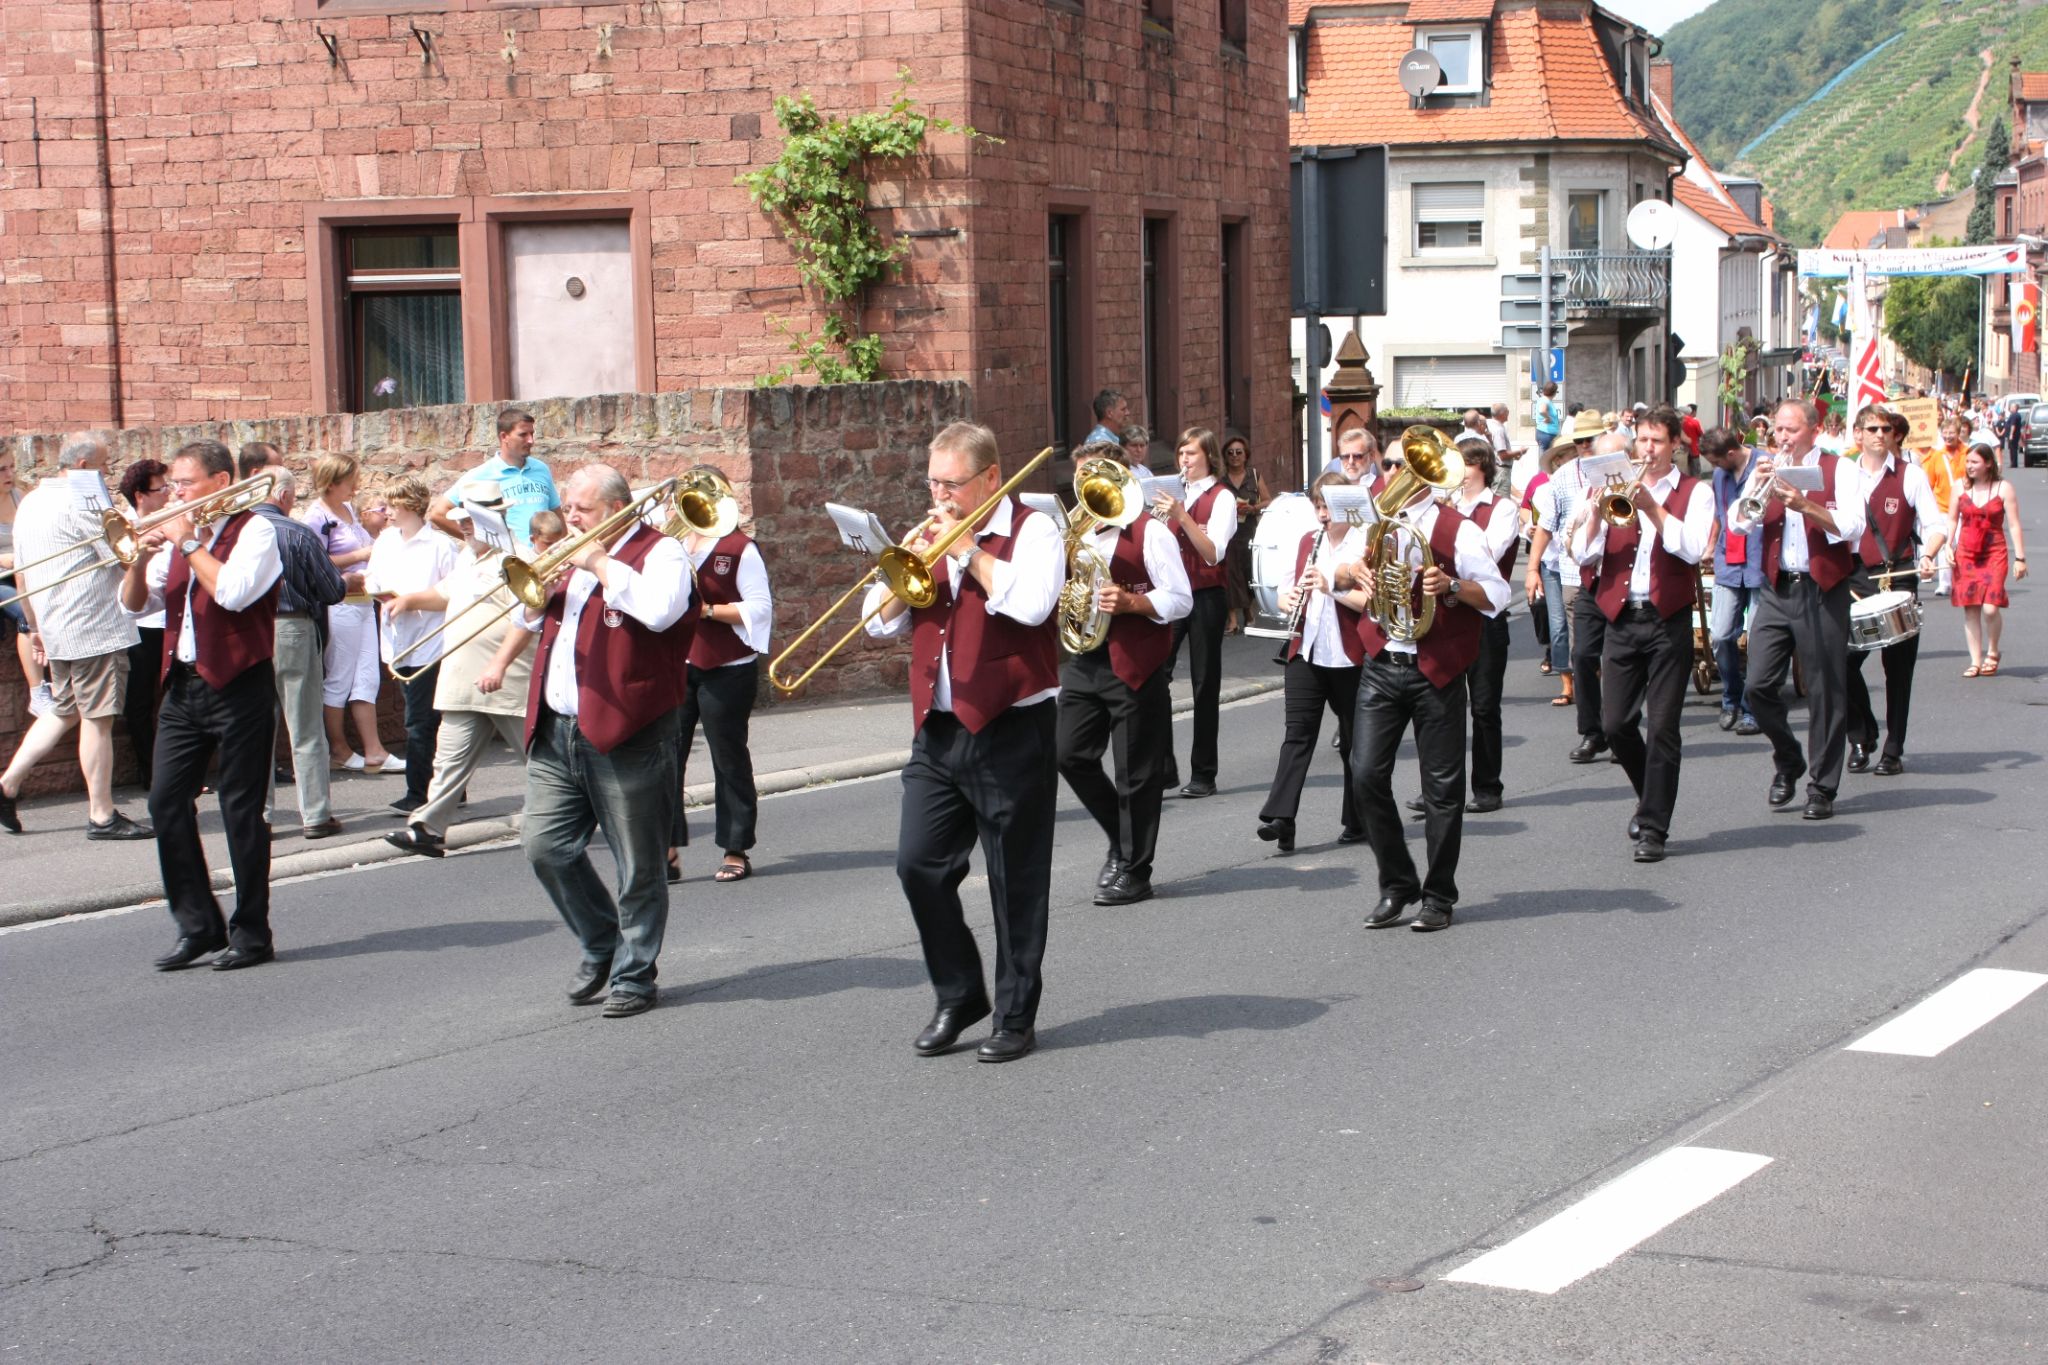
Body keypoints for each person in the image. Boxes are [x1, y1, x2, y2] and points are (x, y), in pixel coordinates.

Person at [864, 421, 1064, 1062]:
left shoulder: (1034, 530)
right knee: (917, 865)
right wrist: (904, 576)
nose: (940, 496)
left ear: (990, 478)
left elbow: (1032, 605)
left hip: (1013, 727)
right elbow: (875, 625)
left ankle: (1015, 1015)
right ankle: (959, 994)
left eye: (951, 484)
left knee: (1015, 879)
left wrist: (968, 550)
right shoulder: (927, 533)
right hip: (939, 730)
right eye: (933, 483)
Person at [517, 465, 696, 1019]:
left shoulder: (661, 552)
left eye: (583, 510)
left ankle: (635, 975)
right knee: (544, 846)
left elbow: (661, 612)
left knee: (638, 864)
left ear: (617, 509)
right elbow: (536, 619)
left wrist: (598, 562)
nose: (570, 518)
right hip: (558, 728)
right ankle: (601, 940)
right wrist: (538, 594)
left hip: (630, 729)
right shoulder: (569, 555)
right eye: (568, 507)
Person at [1334, 446, 1510, 934]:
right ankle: (1397, 883)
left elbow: (1497, 594)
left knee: (1442, 790)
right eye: (1391, 464)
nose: (1393, 471)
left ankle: (1438, 895)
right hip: (1382, 663)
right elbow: (1337, 572)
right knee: (1365, 775)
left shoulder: (1460, 529)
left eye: (1401, 465)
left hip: (1437, 670)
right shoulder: (1375, 520)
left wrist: (1452, 586)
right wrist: (1354, 571)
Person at [122, 440, 284, 971]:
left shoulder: (257, 531)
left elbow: (233, 593)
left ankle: (252, 934)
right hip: (183, 688)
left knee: (240, 812)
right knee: (165, 803)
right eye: (172, 485)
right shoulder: (178, 538)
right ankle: (198, 926)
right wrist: (137, 558)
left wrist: (188, 540)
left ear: (221, 482)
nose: (175, 494)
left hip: (241, 685)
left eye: (185, 484)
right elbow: (135, 606)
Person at [1570, 407, 1710, 861]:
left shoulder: (1695, 492)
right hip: (1622, 619)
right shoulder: (1614, 486)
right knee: (1615, 725)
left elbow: (1692, 549)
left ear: (1675, 445)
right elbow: (1582, 555)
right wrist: (1595, 515)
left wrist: (1654, 509)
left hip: (1667, 619)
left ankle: (1653, 827)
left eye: (1657, 441)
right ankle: (1650, 794)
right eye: (1643, 441)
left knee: (1664, 727)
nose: (1647, 449)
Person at [1056, 441, 1192, 907]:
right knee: (1068, 753)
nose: (1085, 489)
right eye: (1080, 479)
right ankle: (1121, 837)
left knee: (1135, 772)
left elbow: (1181, 598)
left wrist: (1133, 602)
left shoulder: (1151, 532)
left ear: (1119, 479)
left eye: (1093, 478)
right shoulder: (1079, 533)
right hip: (1087, 658)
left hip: (1134, 661)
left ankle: (1135, 871)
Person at [0, 435, 152, 840]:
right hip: (93, 627)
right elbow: (122, 557)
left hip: (56, 624)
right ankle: (102, 815)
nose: (106, 472)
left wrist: (34, 627)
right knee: (97, 718)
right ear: (83, 465)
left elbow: (22, 574)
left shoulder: (31, 500)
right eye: (103, 465)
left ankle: (8, 783)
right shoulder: (84, 501)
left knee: (65, 709)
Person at [385, 506, 559, 859]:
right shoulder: (468, 556)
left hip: (506, 680)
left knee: (541, 759)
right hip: (463, 680)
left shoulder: (517, 559)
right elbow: (445, 594)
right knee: (448, 760)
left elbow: (528, 619)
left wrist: (498, 665)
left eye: (470, 521)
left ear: (491, 520)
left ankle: (572, 814)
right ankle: (428, 829)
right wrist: (408, 599)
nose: (463, 527)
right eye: (460, 520)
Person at [1726, 398, 1867, 821]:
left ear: (1814, 430)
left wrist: (1804, 504)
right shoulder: (1767, 467)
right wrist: (1754, 487)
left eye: (1791, 430)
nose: (1782, 437)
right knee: (1757, 686)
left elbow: (1854, 526)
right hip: (1777, 588)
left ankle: (1822, 786)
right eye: (1778, 430)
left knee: (1826, 690)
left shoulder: (1839, 469)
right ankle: (1788, 758)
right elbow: (1738, 524)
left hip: (1822, 587)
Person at [668, 474, 774, 886]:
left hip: (728, 666)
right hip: (678, 663)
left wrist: (708, 611)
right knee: (665, 756)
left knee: (727, 757)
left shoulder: (739, 548)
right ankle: (666, 845)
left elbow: (759, 608)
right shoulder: (673, 544)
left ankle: (735, 847)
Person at [238, 446, 348, 839]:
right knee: (305, 727)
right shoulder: (297, 532)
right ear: (283, 495)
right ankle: (315, 815)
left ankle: (260, 815)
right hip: (293, 628)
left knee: (255, 728)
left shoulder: (234, 532)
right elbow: (333, 590)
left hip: (247, 631)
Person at [1256, 472, 1366, 852]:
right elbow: (1283, 592)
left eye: (1329, 507)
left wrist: (1330, 587)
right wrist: (1287, 600)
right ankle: (1281, 818)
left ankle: (1358, 819)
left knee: (1354, 742)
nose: (1323, 515)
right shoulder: (1308, 540)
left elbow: (1369, 603)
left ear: (1346, 508)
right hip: (1307, 650)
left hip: (1351, 656)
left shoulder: (1363, 544)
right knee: (1297, 734)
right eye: (1318, 506)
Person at [1844, 407, 1945, 772]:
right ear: (1858, 433)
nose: (1880, 434)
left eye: (1885, 429)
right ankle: (1862, 734)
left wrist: (1929, 554)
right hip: (1855, 577)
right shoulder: (1844, 474)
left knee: (1898, 670)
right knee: (1841, 661)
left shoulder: (1910, 474)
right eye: (1872, 428)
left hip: (1898, 574)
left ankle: (1893, 750)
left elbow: (1935, 525)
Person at [365, 475, 459, 817]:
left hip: (429, 641)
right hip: (397, 639)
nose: (387, 512)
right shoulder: (386, 541)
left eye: (392, 505)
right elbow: (372, 578)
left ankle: (418, 792)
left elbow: (454, 593)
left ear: (410, 506)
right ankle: (449, 787)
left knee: (419, 721)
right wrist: (381, 592)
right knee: (424, 717)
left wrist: (412, 599)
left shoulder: (440, 546)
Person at [304, 454, 400, 774]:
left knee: (367, 675)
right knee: (340, 675)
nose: (356, 485)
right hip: (339, 602)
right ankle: (339, 749)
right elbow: (314, 560)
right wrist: (361, 554)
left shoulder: (346, 509)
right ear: (332, 483)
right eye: (350, 480)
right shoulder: (316, 516)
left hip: (363, 600)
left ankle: (374, 749)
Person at [1157, 427, 1238, 798]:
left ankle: (1204, 773)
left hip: (1206, 595)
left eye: (1191, 453)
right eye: (1180, 453)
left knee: (1204, 683)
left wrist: (1182, 517)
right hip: (1173, 595)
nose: (1184, 460)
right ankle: (1164, 767)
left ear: (1208, 457)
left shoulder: (1222, 498)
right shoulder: (1172, 493)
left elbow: (1213, 553)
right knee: (1156, 676)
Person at [1444, 437, 1519, 813]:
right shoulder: (1447, 508)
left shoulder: (1503, 509)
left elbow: (1486, 554)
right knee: (1443, 708)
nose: (1459, 473)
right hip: (1450, 616)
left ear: (1482, 468)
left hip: (1486, 617)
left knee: (1485, 707)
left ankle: (1488, 787)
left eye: (1466, 465)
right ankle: (1441, 788)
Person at [1525, 409, 1604, 710]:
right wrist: (1532, 569)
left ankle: (1613, 703)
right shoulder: (1562, 476)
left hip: (1615, 574)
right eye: (1580, 441)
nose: (1585, 445)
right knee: (1579, 646)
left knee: (1613, 646)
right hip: (1573, 573)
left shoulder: (1620, 469)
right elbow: (1545, 528)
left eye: (1591, 439)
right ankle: (1587, 710)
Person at [1568, 431, 1633, 760]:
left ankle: (1621, 731)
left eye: (1615, 460)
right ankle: (1592, 733)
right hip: (1594, 585)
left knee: (1621, 661)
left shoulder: (1641, 492)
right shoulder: (1586, 494)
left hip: (1628, 588)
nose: (1609, 468)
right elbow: (1581, 554)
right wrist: (1594, 515)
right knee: (1582, 655)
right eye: (1602, 461)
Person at [1700, 427, 1763, 735]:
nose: (1714, 468)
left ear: (1731, 453)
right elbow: (1719, 515)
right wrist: (1711, 546)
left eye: (1716, 461)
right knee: (1721, 634)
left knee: (1759, 642)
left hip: (1759, 561)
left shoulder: (1764, 464)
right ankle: (1731, 698)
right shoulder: (1719, 476)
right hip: (1728, 562)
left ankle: (1753, 708)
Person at [429, 408, 562, 551]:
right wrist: (484, 543)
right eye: (523, 435)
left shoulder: (541, 469)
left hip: (545, 558)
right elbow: (438, 513)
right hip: (507, 560)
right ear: (504, 437)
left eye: (532, 434)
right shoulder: (481, 474)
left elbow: (558, 517)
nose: (531, 440)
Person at [1950, 436, 2026, 677]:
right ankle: (1975, 660)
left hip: (1994, 553)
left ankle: (1992, 650)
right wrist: (1948, 545)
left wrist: (2020, 558)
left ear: (1988, 463)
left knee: (1991, 608)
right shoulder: (1959, 487)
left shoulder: (2003, 488)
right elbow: (1952, 519)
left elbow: (2014, 525)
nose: (1969, 466)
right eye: (1967, 462)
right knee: (1970, 608)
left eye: (1974, 462)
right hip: (1966, 553)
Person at [115, 460, 171, 783]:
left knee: (174, 698)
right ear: (140, 495)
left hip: (168, 619)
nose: (168, 493)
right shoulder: (123, 526)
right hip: (139, 624)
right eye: (161, 488)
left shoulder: (174, 519)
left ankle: (175, 772)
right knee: (139, 701)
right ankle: (150, 771)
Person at [0, 458, 53, 716]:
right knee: (25, 611)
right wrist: (4, 559)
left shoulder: (20, 496)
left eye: (11, 466)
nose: (9, 473)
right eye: (2, 469)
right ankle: (37, 692)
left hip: (24, 570)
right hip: (2, 576)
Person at [1219, 432, 1263, 635]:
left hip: (1248, 531)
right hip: (1228, 532)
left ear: (1246, 455)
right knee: (1230, 572)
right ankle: (1233, 619)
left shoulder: (1254, 475)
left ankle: (1247, 610)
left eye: (1239, 452)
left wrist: (1253, 508)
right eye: (1230, 453)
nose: (1235, 456)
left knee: (1247, 572)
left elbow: (1268, 499)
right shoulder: (1220, 480)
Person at [1487, 402, 1525, 496]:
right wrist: (1520, 451)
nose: (1508, 413)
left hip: (1496, 468)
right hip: (1501, 470)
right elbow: (1502, 455)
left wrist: (1515, 455)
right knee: (1501, 499)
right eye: (1507, 411)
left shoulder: (1491, 425)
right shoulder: (1498, 429)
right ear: (1502, 413)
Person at [1532, 382, 1564, 458]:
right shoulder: (1545, 400)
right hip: (1546, 433)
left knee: (1547, 457)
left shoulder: (1544, 400)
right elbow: (1542, 411)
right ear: (1554, 392)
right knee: (1546, 458)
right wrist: (1547, 418)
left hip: (1546, 433)